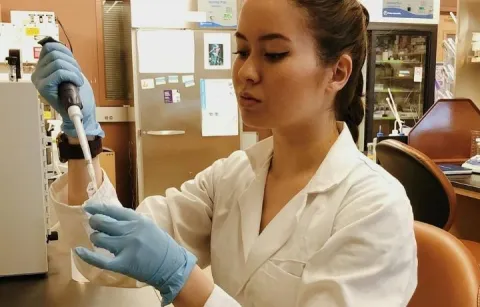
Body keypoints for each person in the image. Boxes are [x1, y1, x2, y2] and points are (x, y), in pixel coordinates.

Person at [32, 0, 417, 306]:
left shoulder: (375, 207)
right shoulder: (232, 176)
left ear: (337, 73)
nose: (246, 72)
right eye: (242, 50)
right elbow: (103, 256)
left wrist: (183, 281)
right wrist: (81, 137)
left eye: (274, 54)